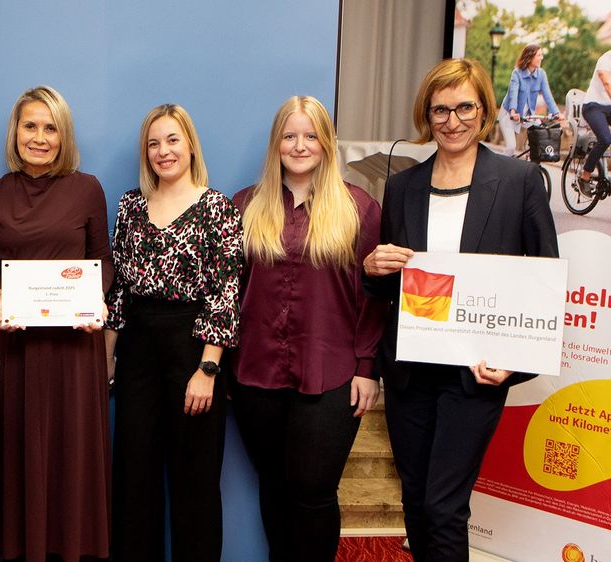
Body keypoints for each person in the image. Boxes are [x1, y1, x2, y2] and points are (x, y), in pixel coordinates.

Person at [363, 58, 558, 561]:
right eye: (440, 109)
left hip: (474, 375)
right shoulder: (403, 187)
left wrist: (515, 362)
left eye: (464, 107)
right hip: (411, 373)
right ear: (426, 116)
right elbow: (391, 293)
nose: (453, 120)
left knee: (444, 506)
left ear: (485, 110)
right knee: (415, 502)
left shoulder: (519, 182)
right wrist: (374, 269)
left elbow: (542, 282)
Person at [231, 96, 385, 561]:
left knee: (313, 492)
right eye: (290, 135)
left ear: (327, 142)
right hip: (255, 373)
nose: (300, 146)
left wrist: (367, 367)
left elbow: (372, 296)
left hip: (332, 375)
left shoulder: (360, 209)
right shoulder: (245, 206)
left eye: (311, 135)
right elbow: (229, 293)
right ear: (276, 142)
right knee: (273, 487)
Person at [0, 85, 113, 562]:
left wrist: (93, 300)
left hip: (76, 346)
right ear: (16, 132)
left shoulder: (87, 188)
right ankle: (21, 547)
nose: (39, 137)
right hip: (16, 345)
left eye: (50, 127)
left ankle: (73, 548)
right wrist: (2, 296)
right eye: (30, 126)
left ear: (63, 134)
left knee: (71, 453)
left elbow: (103, 264)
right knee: (19, 449)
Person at [104, 104, 241, 562]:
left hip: (194, 346)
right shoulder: (130, 205)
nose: (164, 151)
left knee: (195, 481)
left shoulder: (216, 207)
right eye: (154, 143)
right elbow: (119, 291)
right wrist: (108, 356)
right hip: (138, 350)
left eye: (172, 140)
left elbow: (225, 294)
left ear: (190, 145)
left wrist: (207, 369)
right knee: (134, 477)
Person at [497, 44, 561, 157]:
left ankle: (532, 167)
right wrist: (512, 111)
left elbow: (547, 95)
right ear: (530, 57)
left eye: (541, 55)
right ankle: (499, 169)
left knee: (541, 137)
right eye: (539, 55)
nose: (541, 58)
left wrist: (556, 113)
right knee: (511, 147)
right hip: (509, 114)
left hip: (527, 116)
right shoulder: (517, 73)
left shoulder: (541, 74)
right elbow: (513, 93)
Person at [580, 48, 611, 184]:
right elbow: (606, 83)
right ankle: (585, 174)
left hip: (608, 107)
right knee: (605, 139)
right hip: (593, 106)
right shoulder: (605, 60)